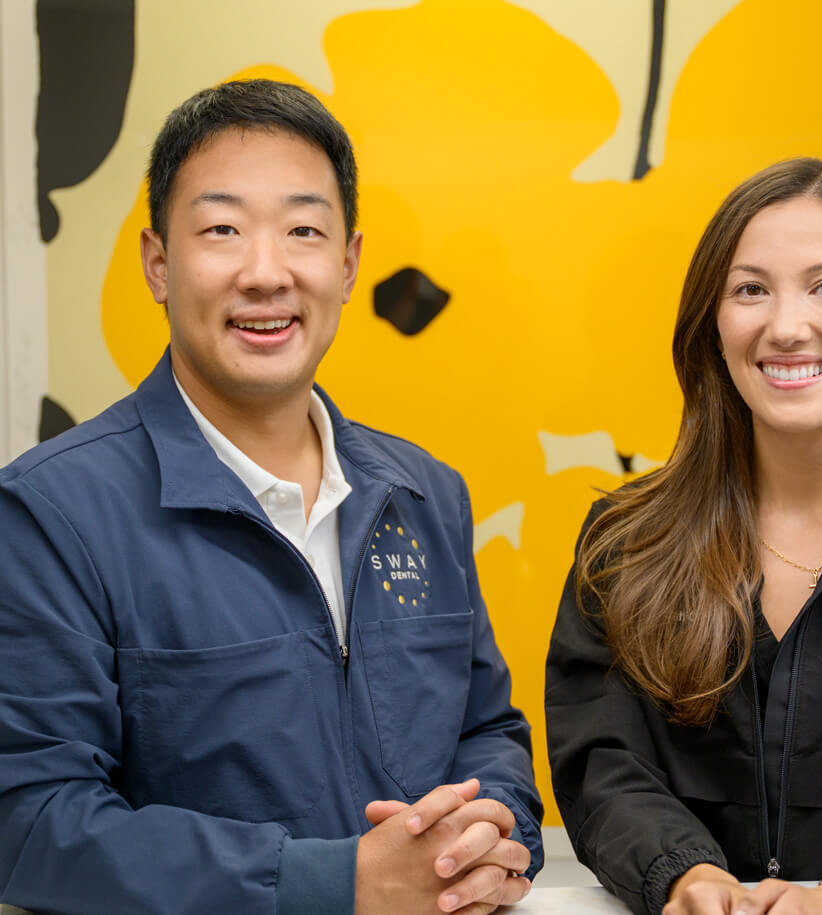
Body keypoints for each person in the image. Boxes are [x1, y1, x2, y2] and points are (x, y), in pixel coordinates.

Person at [0, 79, 542, 915]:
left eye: (303, 230)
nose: (266, 271)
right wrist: (334, 885)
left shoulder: (425, 491)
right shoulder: (52, 512)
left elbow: (486, 729)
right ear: (158, 262)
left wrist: (490, 832)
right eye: (221, 229)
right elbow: (33, 823)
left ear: (349, 263)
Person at [546, 157, 822, 915]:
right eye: (751, 289)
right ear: (713, 324)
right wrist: (685, 875)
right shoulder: (625, 545)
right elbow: (603, 767)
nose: (787, 327)